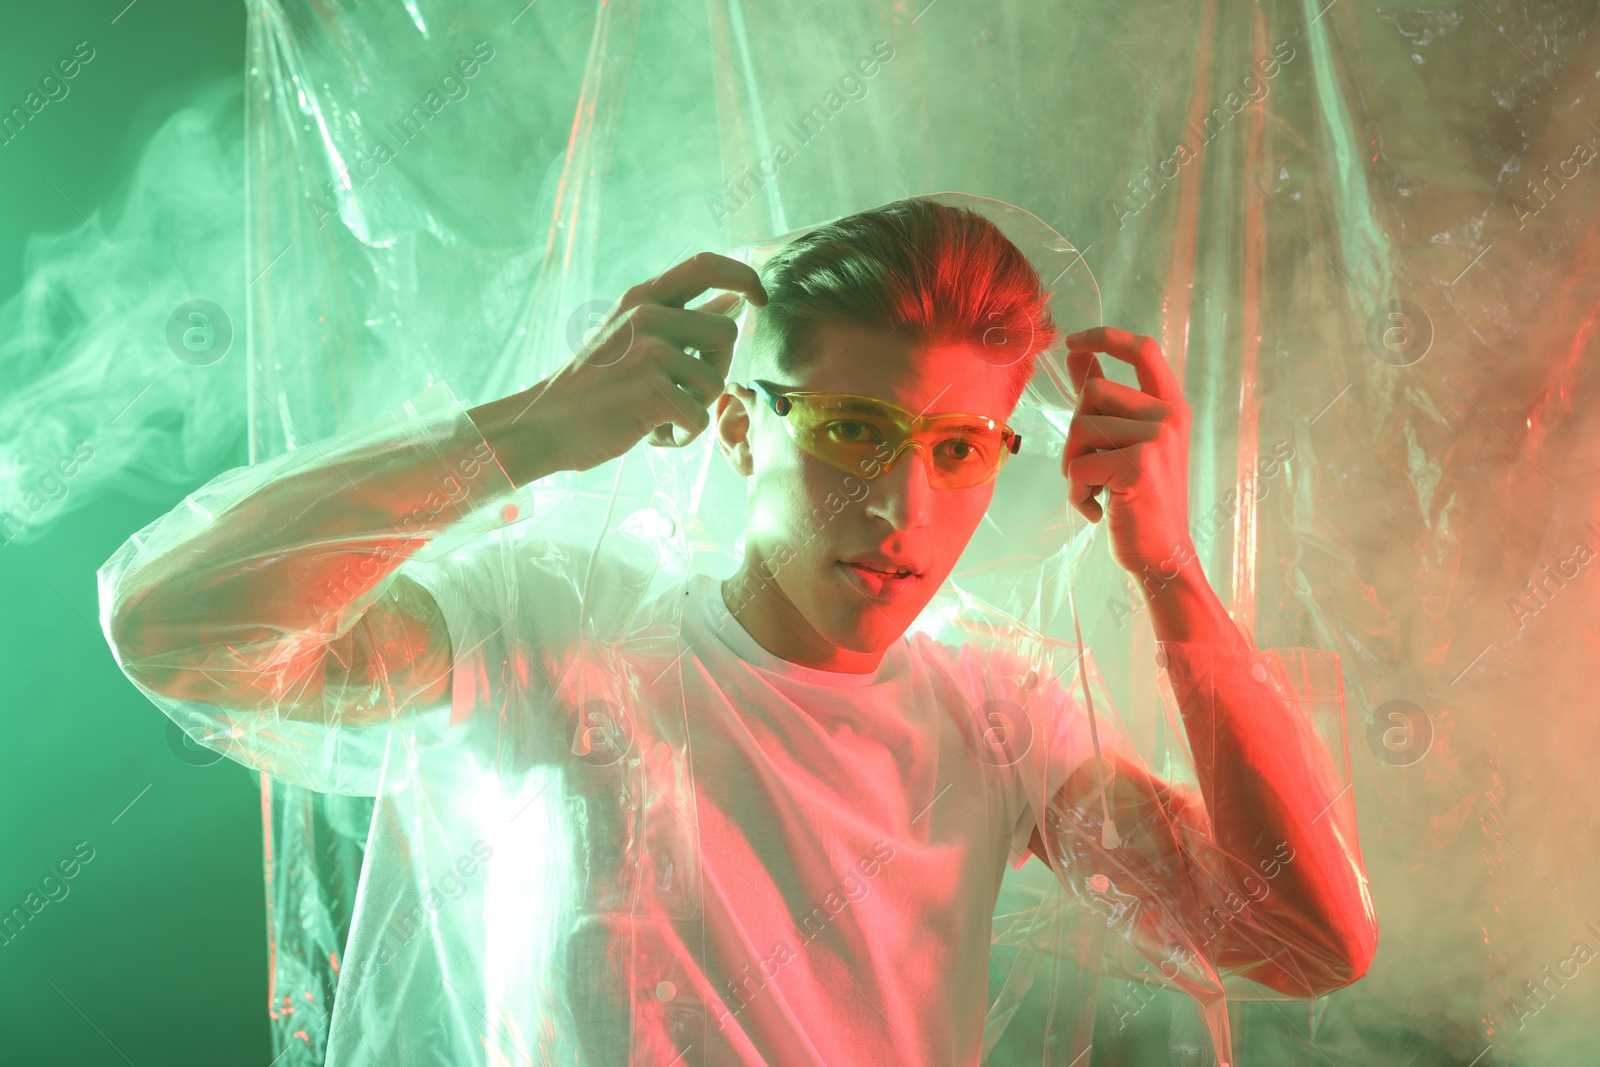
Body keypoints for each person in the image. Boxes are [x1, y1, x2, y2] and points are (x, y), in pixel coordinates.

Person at [100, 197, 1375, 1065]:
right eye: (850, 430)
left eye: (956, 449)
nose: (900, 506)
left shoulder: (998, 715)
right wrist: (529, 431)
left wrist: (1170, 572)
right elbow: (178, 628)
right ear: (737, 428)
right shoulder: (555, 623)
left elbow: (1305, 941)